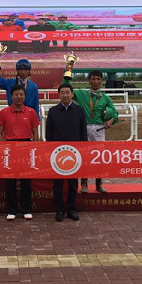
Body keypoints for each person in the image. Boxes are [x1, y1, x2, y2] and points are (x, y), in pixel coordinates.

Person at [63, 68, 119, 193]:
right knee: (85, 157)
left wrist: (110, 121)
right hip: (84, 129)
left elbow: (115, 112)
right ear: (89, 81)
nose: (95, 81)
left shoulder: (105, 98)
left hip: (99, 130)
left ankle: (99, 184)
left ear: (101, 81)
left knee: (100, 158)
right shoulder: (82, 94)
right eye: (93, 79)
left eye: (98, 79)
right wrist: (67, 73)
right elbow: (66, 87)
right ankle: (84, 184)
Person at [0, 84, 40, 221]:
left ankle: (26, 209)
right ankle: (12, 210)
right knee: (10, 181)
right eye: (16, 94)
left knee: (26, 180)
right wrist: (1, 148)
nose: (19, 97)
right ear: (11, 96)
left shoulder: (31, 112)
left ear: (24, 96)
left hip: (26, 146)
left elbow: (35, 132)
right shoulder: (4, 112)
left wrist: (35, 147)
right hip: (9, 147)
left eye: (21, 94)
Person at [46, 83, 87, 221]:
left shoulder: (79, 110)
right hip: (57, 153)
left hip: (74, 153)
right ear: (59, 95)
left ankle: (71, 209)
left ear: (72, 93)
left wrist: (84, 148)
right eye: (62, 93)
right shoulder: (53, 111)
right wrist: (50, 149)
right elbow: (49, 133)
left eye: (67, 92)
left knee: (73, 183)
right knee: (57, 184)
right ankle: (59, 209)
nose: (65, 95)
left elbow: (83, 131)